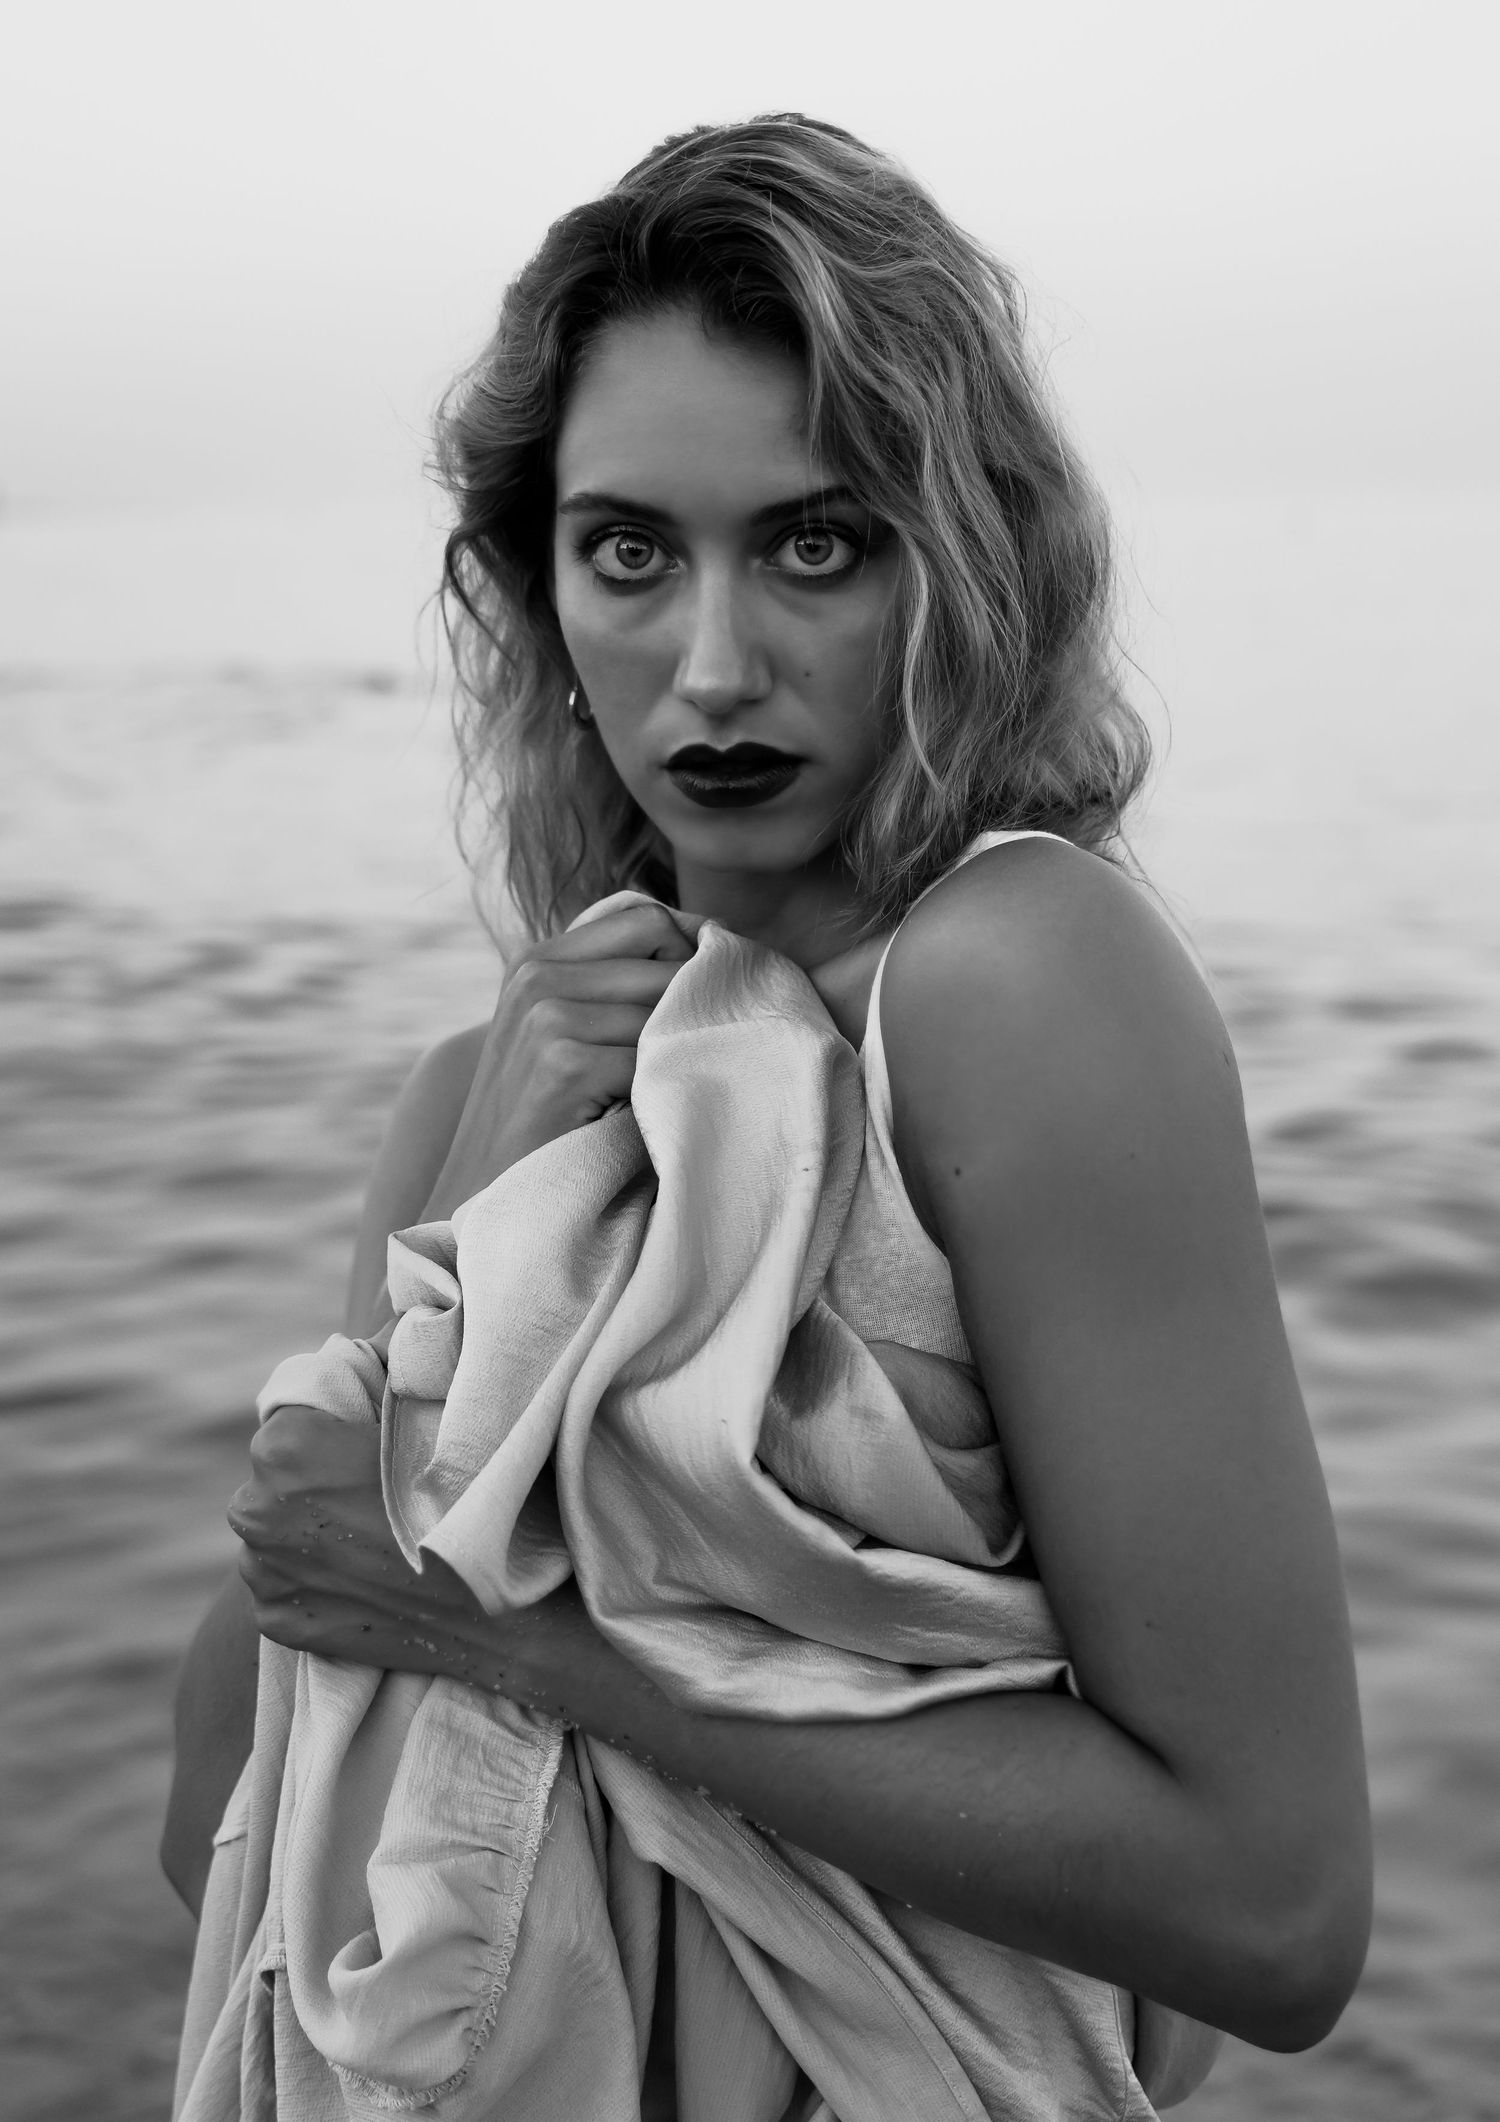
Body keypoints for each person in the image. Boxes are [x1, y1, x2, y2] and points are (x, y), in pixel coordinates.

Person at [162, 115, 1372, 2113]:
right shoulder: (484, 1088)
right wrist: (466, 1212)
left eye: (815, 542)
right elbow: (222, 1809)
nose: (713, 666)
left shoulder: (1014, 983)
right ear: (541, 589)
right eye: (629, 551)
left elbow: (1275, 1907)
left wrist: (534, 1646)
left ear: (957, 562)